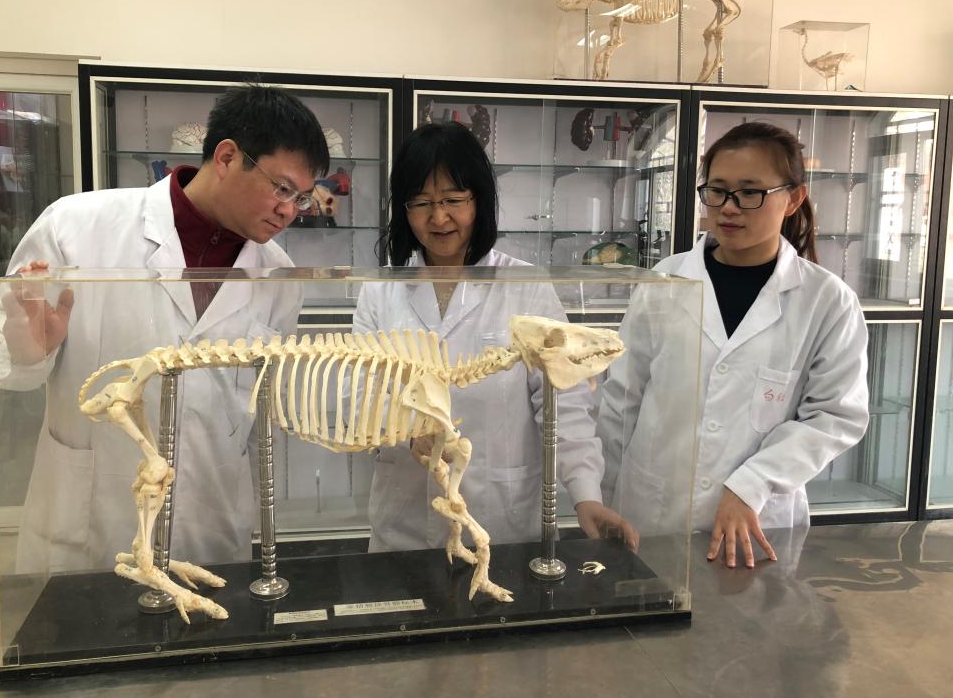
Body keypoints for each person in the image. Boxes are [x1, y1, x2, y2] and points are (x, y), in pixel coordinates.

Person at [0, 85, 329, 573]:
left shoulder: (278, 275)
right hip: (93, 521)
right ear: (226, 157)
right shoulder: (77, 225)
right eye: (281, 188)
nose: (289, 211)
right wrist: (27, 348)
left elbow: (258, 405)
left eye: (301, 198)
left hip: (209, 519)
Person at [353, 121, 635, 552]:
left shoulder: (525, 286)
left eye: (453, 200)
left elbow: (563, 400)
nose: (438, 217)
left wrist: (586, 495)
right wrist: (404, 430)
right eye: (422, 202)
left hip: (501, 518)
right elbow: (360, 394)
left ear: (479, 199)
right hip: (405, 520)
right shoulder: (381, 290)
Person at [599, 121, 869, 569]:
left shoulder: (826, 300)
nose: (728, 207)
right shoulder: (666, 281)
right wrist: (602, 495)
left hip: (757, 524)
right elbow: (622, 399)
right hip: (653, 510)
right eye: (717, 191)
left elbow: (834, 416)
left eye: (750, 193)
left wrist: (752, 483)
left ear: (793, 198)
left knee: (746, 613)